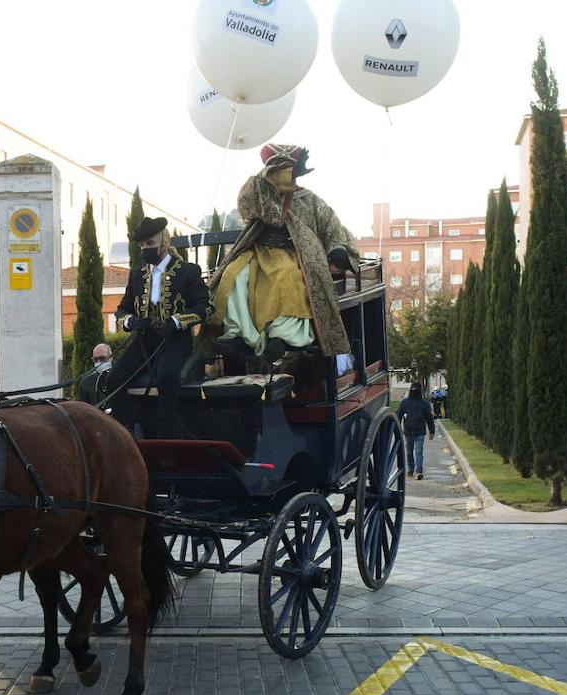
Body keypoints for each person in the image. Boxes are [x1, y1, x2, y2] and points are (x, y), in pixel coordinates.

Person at [207, 145, 359, 372]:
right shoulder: (260, 193)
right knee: (232, 275)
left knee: (287, 277)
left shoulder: (311, 200)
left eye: (287, 169)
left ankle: (285, 335)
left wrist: (338, 250)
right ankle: (236, 333)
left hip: (296, 256)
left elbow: (333, 229)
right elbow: (247, 206)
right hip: (258, 252)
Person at [102, 217, 211, 438]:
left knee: (167, 377)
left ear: (163, 241)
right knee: (113, 379)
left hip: (175, 340)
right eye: (141, 246)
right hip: (144, 340)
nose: (145, 249)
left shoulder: (188, 271)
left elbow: (206, 307)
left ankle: (167, 437)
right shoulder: (137, 275)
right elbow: (122, 310)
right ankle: (127, 433)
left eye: (149, 244)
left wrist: (178, 321)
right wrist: (131, 322)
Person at [396, 383, 436, 480]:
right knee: (409, 452)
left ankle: (419, 471)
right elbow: (398, 415)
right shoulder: (404, 403)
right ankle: (410, 469)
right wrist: (398, 429)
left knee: (418, 452)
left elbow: (429, 418)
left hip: (420, 432)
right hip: (408, 432)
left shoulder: (424, 404)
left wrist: (432, 431)